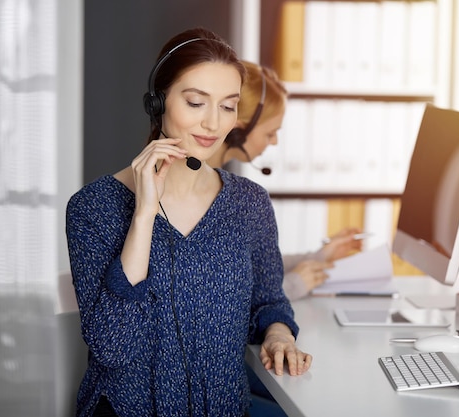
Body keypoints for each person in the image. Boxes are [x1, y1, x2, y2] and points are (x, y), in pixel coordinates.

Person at [65, 27, 312, 417]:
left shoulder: (250, 204)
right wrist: (144, 215)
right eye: (196, 102)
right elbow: (113, 347)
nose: (213, 124)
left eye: (228, 106)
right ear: (157, 103)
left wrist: (279, 333)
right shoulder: (93, 208)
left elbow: (270, 302)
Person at [207, 61, 364, 301]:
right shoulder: (203, 192)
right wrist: (292, 286)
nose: (274, 143)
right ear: (238, 130)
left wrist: (319, 257)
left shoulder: (222, 184)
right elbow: (218, 299)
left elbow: (252, 267)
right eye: (270, 133)